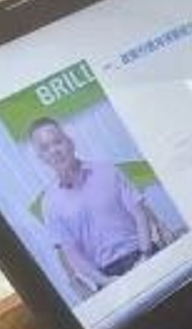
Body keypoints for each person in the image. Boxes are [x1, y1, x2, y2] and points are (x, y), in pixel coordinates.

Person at [29, 116, 165, 296]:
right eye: (45, 148)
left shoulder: (107, 170)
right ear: (41, 157)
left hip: (143, 252)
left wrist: (145, 255)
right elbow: (72, 253)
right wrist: (105, 282)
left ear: (70, 142)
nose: (54, 151)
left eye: (57, 142)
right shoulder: (49, 203)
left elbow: (139, 214)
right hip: (106, 276)